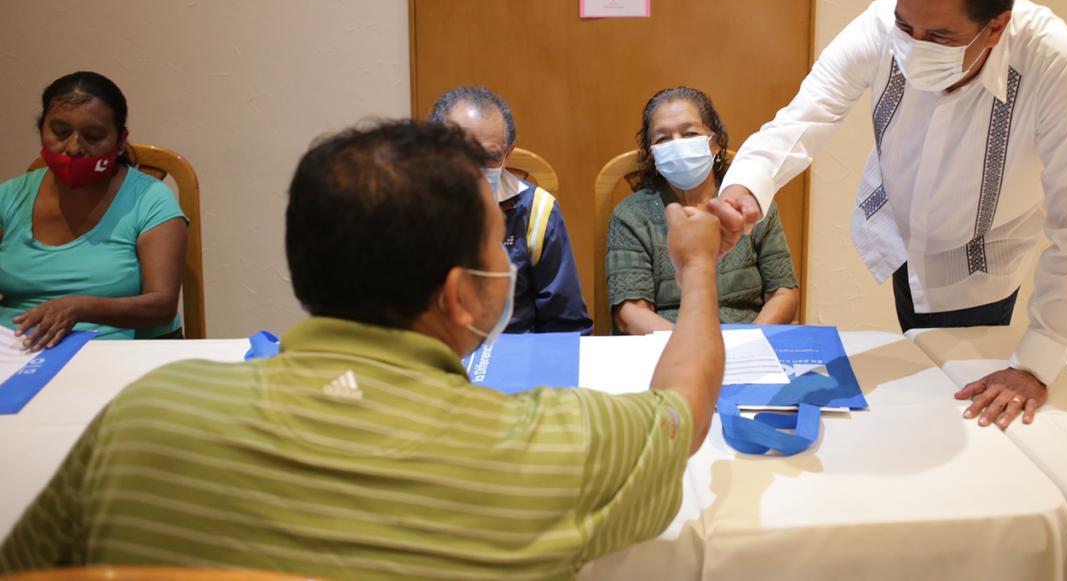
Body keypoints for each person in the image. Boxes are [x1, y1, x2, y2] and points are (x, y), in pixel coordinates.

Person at [0, 120, 729, 577]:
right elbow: (685, 409)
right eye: (495, 245)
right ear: (460, 294)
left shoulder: (145, 416)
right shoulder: (552, 444)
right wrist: (697, 268)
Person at [714, 0, 1067, 430]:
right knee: (915, 389)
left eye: (941, 35)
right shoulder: (878, 26)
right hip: (900, 234)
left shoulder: (1052, 61)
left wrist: (1039, 362)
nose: (915, 44)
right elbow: (802, 119)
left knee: (961, 413)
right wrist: (746, 187)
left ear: (996, 26)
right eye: (907, 26)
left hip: (981, 257)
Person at [0, 71, 188, 349]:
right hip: (14, 350)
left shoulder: (150, 200)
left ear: (120, 140)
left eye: (94, 136)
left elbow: (162, 307)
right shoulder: (9, 196)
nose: (74, 148)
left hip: (110, 352)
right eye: (60, 132)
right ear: (41, 130)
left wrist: (81, 308)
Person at [608, 86, 800, 334]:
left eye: (689, 134)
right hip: (668, 344)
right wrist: (693, 345)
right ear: (652, 153)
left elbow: (783, 293)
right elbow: (630, 313)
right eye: (663, 139)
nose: (677, 145)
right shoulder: (631, 216)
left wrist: (748, 342)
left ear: (715, 143)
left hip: (749, 340)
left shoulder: (750, 205)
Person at [430, 86, 592, 334]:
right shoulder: (402, 207)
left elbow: (565, 324)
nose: (474, 168)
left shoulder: (536, 210)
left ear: (507, 154)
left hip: (514, 347)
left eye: (490, 157)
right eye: (462, 153)